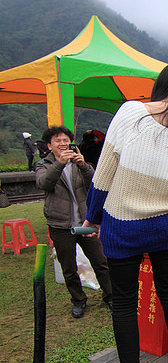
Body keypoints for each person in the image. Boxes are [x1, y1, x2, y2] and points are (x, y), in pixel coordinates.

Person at [83, 60, 168, 363]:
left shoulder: (131, 113)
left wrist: (92, 217)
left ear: (160, 84)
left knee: (124, 302)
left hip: (124, 225)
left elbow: (103, 174)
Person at [35, 126, 113, 318]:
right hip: (60, 224)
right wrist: (60, 164)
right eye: (57, 141)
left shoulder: (79, 162)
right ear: (49, 146)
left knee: (101, 261)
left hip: (85, 222)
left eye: (65, 140)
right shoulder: (43, 165)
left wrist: (84, 166)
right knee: (69, 268)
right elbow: (44, 183)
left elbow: (96, 184)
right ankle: (79, 300)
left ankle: (111, 296)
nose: (63, 144)